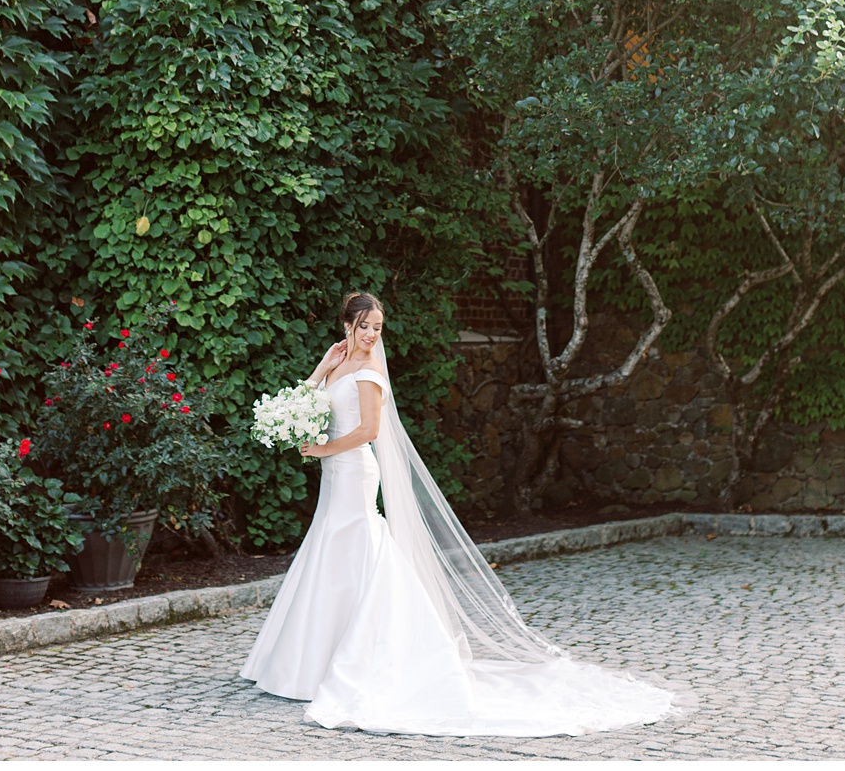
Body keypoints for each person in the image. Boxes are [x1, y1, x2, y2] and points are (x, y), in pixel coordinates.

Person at [241, 292, 675, 735]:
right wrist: (322, 367)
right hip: (335, 473)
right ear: (346, 325)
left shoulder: (371, 374)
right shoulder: (339, 364)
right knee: (329, 551)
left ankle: (369, 653)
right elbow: (307, 402)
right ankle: (308, 662)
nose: (371, 335)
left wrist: (324, 449)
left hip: (353, 472)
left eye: (377, 328)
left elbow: (369, 430)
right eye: (365, 326)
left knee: (355, 545)